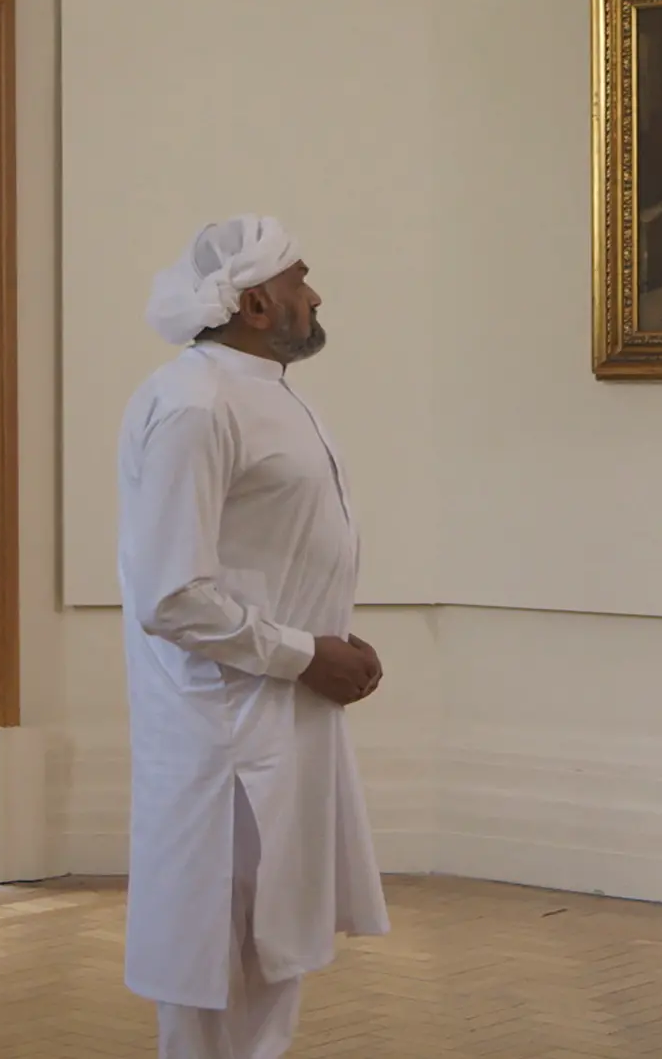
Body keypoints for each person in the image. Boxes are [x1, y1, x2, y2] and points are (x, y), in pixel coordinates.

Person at [121, 215, 391, 1059]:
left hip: (284, 712)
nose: (314, 296)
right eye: (298, 279)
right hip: (224, 729)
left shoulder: (261, 391)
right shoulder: (196, 403)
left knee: (273, 935)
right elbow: (171, 595)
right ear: (253, 301)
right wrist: (310, 654)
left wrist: (329, 643)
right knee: (213, 950)